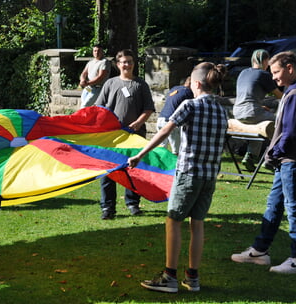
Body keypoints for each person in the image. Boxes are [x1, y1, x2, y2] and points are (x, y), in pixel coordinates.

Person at [129, 62, 228, 293]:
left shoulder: (190, 105)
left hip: (189, 174)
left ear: (196, 83)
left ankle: (169, 277)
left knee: (173, 220)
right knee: (198, 223)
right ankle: (193, 278)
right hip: (209, 176)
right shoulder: (222, 109)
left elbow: (165, 130)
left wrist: (140, 154)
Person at [231, 51, 296, 274]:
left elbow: (290, 132)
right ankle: (259, 251)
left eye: (276, 72)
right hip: (286, 160)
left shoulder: (295, 94)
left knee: (293, 208)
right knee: (274, 205)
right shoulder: (293, 92)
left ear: (290, 68)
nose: (273, 77)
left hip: (292, 159)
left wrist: (274, 154)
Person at [94, 49, 155, 218]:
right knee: (108, 171)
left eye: (130, 61)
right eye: (124, 62)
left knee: (133, 170)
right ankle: (108, 208)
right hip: (112, 136)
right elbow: (101, 108)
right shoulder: (110, 83)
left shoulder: (141, 84)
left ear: (133, 64)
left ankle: (133, 203)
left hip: (135, 137)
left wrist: (138, 123)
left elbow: (148, 109)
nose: (127, 64)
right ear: (118, 64)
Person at [233, 49, 283, 171]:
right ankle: (271, 159)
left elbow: (246, 96)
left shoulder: (243, 72)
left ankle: (250, 157)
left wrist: (260, 107)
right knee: (282, 124)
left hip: (237, 112)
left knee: (260, 126)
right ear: (265, 61)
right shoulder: (264, 74)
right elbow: (280, 96)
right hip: (252, 111)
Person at [157, 76, 193, 154]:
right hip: (171, 122)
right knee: (176, 151)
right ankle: (176, 166)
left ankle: (161, 165)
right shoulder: (188, 92)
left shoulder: (174, 89)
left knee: (161, 148)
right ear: (191, 84)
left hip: (160, 119)